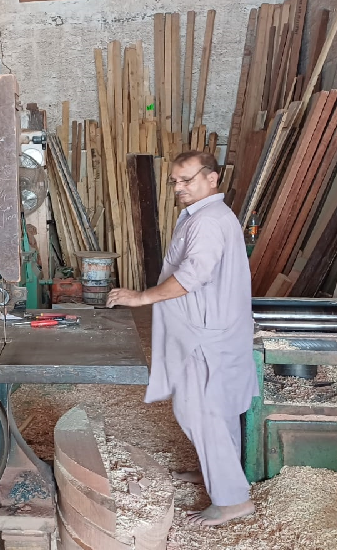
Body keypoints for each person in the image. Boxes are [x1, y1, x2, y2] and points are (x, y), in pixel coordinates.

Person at [106, 150, 258, 527]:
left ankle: (232, 501)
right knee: (217, 410)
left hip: (205, 334)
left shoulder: (207, 221)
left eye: (187, 180)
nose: (179, 188)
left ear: (212, 178)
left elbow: (192, 276)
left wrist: (141, 297)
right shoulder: (205, 216)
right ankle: (219, 477)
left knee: (199, 411)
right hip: (211, 330)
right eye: (175, 181)